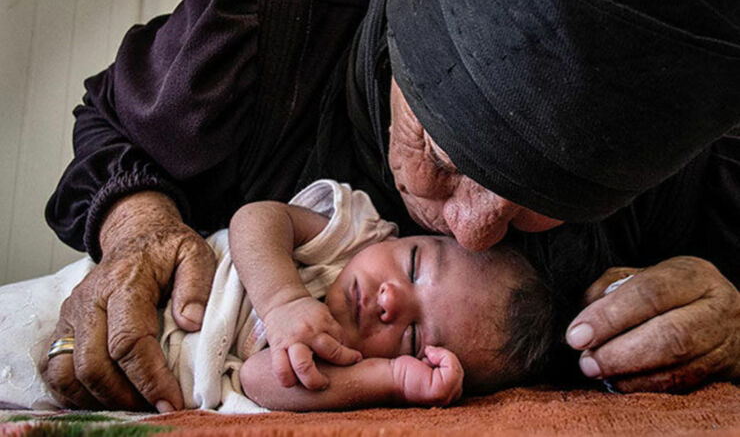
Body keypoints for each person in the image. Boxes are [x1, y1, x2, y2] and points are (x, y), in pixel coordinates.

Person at [42, 0, 740, 412]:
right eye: (442, 158)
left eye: (540, 204)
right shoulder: (272, 26)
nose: (470, 230)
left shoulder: (685, 134)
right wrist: (138, 224)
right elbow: (111, 126)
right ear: (396, 61)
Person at [1, 181, 553, 411]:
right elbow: (256, 219)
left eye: (411, 334)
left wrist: (392, 380)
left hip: (133, 385)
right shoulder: (352, 235)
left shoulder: (354, 365)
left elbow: (259, 381)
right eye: (413, 266)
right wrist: (283, 298)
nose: (390, 299)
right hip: (101, 304)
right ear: (407, 235)